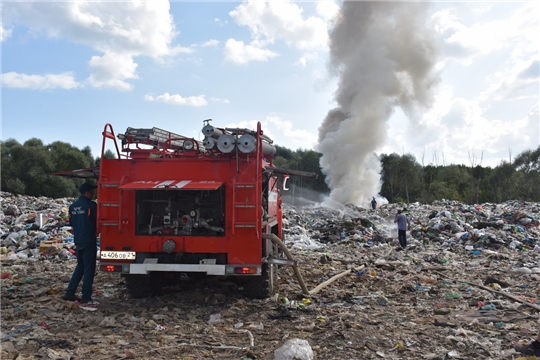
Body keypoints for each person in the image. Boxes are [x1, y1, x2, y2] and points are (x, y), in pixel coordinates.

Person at [63, 183, 99, 307]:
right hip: (89, 240)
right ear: (87, 193)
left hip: (78, 240)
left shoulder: (73, 207)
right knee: (89, 268)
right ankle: (86, 296)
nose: (93, 194)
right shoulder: (91, 205)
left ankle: (70, 292)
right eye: (92, 192)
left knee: (80, 266)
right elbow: (98, 221)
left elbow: (72, 223)